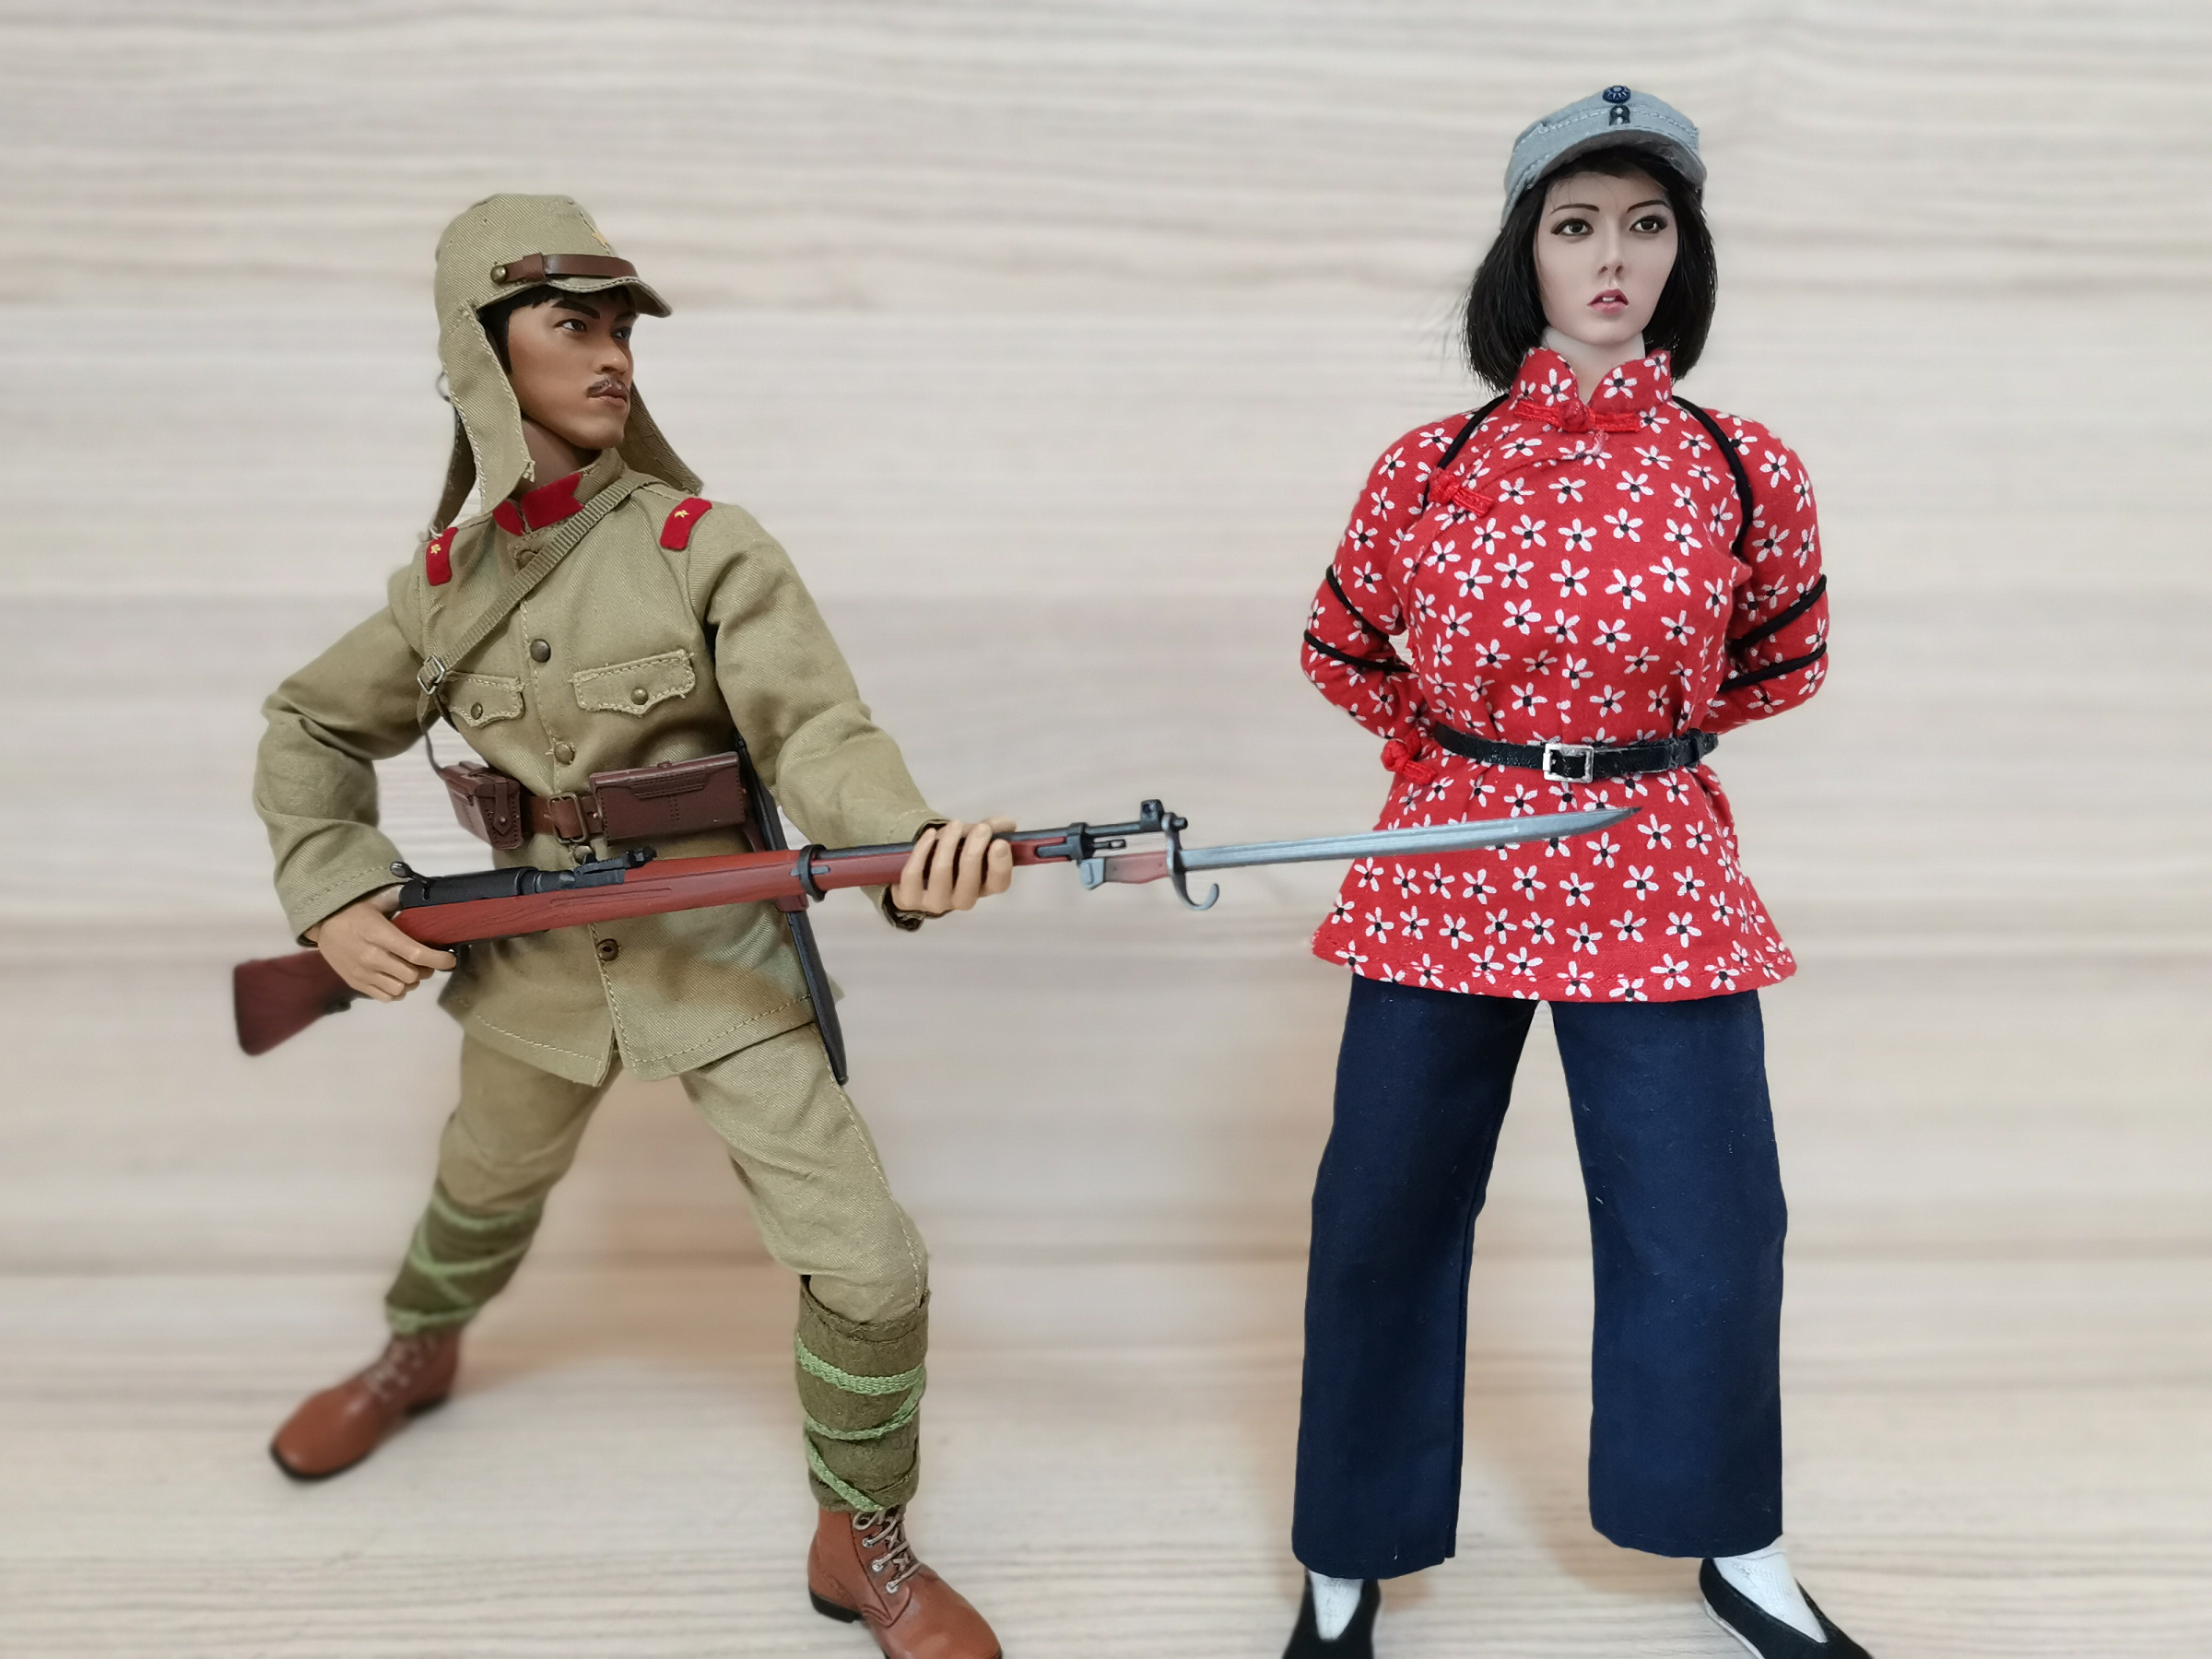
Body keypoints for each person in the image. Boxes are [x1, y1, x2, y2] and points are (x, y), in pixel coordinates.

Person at [254, 194, 1006, 1659]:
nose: (611, 358)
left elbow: (819, 732)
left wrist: (903, 847)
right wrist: (333, 890)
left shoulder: (699, 545)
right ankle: (417, 1350)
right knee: (481, 1183)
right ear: (483, 356)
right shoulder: (439, 591)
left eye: (619, 330)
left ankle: (863, 1533)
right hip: (529, 969)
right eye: (572, 326)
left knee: (869, 1262)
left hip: (717, 956)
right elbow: (307, 725)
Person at [1284, 91, 1869, 1658]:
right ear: (1524, 254)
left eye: (1647, 224)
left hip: (1654, 856)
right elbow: (1344, 644)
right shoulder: (1431, 464)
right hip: (1448, 863)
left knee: (1710, 1217)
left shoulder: (1742, 467)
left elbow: (1781, 659)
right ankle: (1348, 1548)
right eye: (1577, 224)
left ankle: (1735, 1538)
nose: (1614, 257)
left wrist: (1629, 752)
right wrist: (1466, 763)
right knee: (1384, 1209)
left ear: (1684, 252)